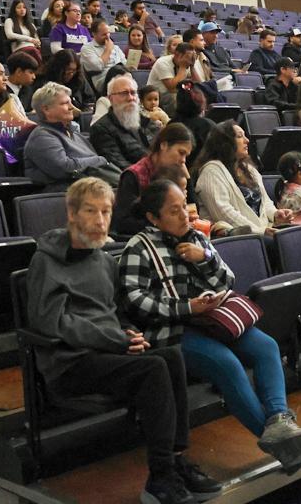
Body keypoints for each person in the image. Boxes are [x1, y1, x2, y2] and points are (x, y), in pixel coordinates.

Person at [26, 178, 222, 504]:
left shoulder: (104, 260)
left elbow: (117, 312)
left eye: (106, 212)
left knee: (171, 356)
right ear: (72, 213)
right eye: (91, 211)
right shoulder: (47, 262)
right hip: (69, 363)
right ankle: (160, 478)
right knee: (153, 369)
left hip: (107, 352)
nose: (100, 220)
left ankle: (175, 459)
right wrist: (115, 339)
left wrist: (128, 331)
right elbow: (52, 323)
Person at [117, 179, 301, 474]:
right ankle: (279, 440)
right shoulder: (139, 247)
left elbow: (228, 280)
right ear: (153, 218)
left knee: (266, 346)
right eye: (173, 211)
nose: (184, 216)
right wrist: (188, 307)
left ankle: (280, 422)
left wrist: (205, 258)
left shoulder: (196, 238)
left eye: (184, 207)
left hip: (213, 321)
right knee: (226, 363)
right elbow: (134, 301)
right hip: (173, 331)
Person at [193, 121, 293, 235]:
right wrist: (260, 231)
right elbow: (224, 213)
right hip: (237, 238)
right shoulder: (211, 172)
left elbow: (265, 202)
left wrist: (275, 214)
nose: (247, 140)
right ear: (226, 143)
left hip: (262, 231)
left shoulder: (249, 169)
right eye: (240, 136)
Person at [23, 82, 112, 192]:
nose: (71, 107)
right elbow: (65, 168)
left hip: (92, 188)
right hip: (65, 194)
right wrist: (100, 160)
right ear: (46, 109)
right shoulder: (41, 137)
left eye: (71, 102)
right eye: (65, 103)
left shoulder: (74, 133)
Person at [113, 123, 195, 235]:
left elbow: (193, 209)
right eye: (181, 153)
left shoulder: (177, 173)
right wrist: (162, 224)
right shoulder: (133, 175)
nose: (183, 160)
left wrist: (187, 178)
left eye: (186, 156)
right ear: (164, 145)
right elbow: (124, 222)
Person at [90, 74, 160, 171]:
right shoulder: (101, 129)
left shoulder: (145, 121)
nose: (131, 98)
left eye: (133, 93)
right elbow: (119, 164)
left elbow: (162, 149)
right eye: (124, 93)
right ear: (111, 99)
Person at [148, 42, 195, 116]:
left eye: (191, 57)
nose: (189, 60)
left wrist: (192, 67)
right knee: (174, 97)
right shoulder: (162, 62)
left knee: (196, 94)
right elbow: (172, 88)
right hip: (158, 95)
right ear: (177, 54)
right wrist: (182, 67)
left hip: (176, 93)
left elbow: (197, 83)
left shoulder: (187, 62)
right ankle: (175, 120)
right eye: (188, 57)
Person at [80, 20, 127, 93]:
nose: (108, 36)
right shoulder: (87, 48)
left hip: (121, 75)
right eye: (104, 34)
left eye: (108, 33)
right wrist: (108, 49)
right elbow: (97, 66)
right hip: (103, 81)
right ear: (94, 34)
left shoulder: (115, 47)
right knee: (117, 70)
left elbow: (125, 64)